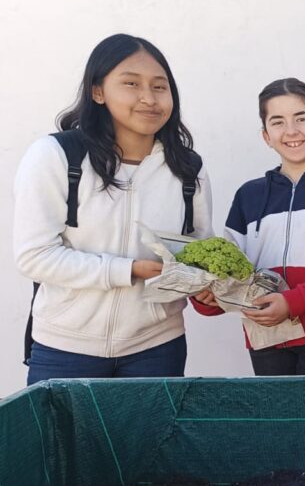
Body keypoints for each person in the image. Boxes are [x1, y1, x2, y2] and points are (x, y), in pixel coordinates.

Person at [13, 33, 212, 384]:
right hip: (65, 348)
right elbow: (35, 256)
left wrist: (210, 284)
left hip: (158, 347)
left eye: (159, 86)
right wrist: (127, 270)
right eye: (131, 84)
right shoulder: (56, 156)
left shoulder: (188, 168)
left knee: (151, 426)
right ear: (98, 91)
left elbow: (199, 250)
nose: (148, 98)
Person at [192, 79, 305, 375]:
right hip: (266, 337)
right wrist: (209, 297)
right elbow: (232, 270)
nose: (291, 131)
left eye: (301, 118)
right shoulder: (248, 197)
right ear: (266, 136)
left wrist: (293, 302)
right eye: (278, 122)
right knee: (274, 409)